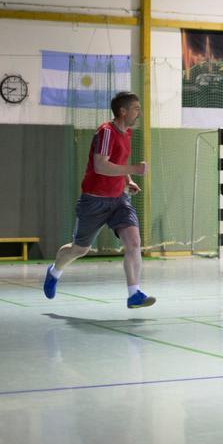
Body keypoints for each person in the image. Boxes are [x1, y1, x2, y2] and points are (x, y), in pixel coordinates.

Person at [43, 91, 154, 308]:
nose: (139, 113)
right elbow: (101, 165)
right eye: (136, 109)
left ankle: (134, 293)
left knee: (133, 242)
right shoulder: (106, 132)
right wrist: (135, 169)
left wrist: (127, 179)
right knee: (79, 249)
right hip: (94, 201)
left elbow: (117, 161)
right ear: (123, 111)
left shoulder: (127, 133)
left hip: (119, 200)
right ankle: (55, 271)